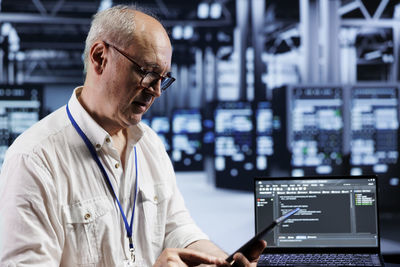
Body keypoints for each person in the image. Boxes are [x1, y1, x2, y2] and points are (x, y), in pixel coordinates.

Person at [0, 4, 266, 267]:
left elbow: (178, 229)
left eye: (163, 78)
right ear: (99, 57)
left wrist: (221, 261)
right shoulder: (34, 159)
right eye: (148, 72)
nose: (157, 91)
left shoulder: (149, 144)